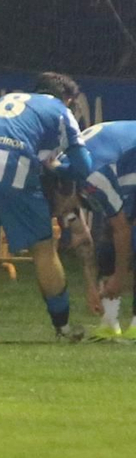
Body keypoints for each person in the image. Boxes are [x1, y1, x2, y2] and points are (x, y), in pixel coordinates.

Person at [0, 74, 91, 343]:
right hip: (12, 163)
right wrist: (57, 167)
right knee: (43, 249)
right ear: (66, 97)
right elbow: (83, 167)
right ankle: (63, 329)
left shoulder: (9, 99)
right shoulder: (60, 110)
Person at [73, 120, 136, 338]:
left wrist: (119, 277)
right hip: (122, 160)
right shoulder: (62, 181)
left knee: (126, 233)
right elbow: (81, 237)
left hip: (126, 158)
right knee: (109, 241)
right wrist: (91, 285)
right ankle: (110, 322)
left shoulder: (93, 177)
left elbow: (122, 230)